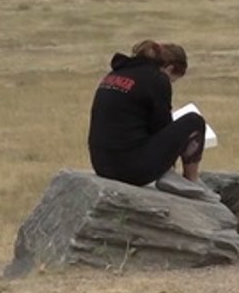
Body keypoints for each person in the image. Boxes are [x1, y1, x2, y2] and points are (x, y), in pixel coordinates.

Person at [87, 40, 216, 200]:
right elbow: (160, 126)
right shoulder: (157, 79)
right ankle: (191, 181)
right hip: (130, 169)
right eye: (172, 80)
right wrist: (167, 165)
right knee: (194, 122)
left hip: (102, 165)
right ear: (169, 69)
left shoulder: (114, 75)